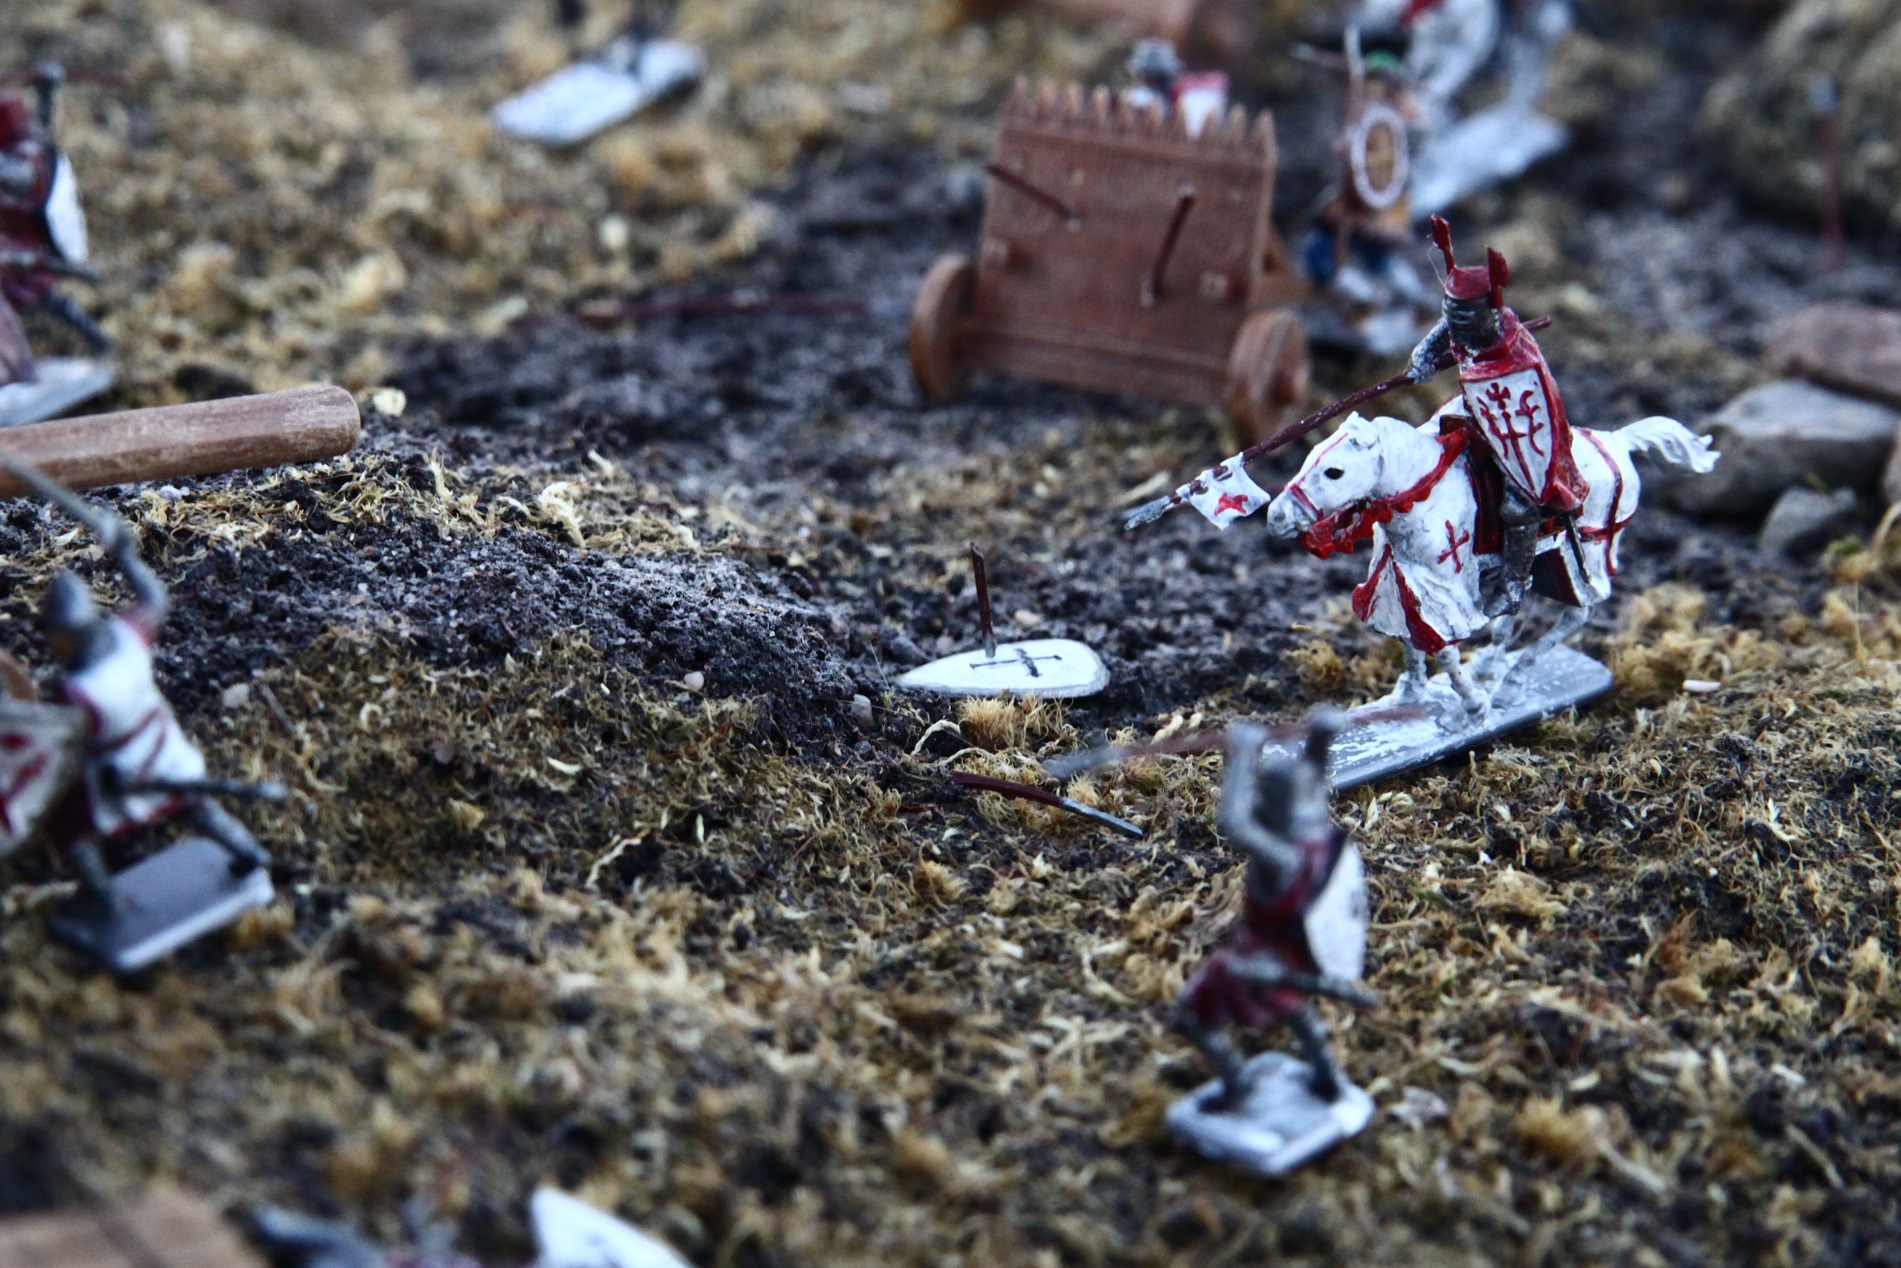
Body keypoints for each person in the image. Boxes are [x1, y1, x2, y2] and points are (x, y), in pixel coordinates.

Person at [16, 464, 270, 903]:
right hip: (162, 745)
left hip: (117, 766)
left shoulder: (79, 691)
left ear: (66, 635)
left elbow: (66, 741)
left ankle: (104, 900)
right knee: (196, 805)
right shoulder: (126, 638)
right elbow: (155, 599)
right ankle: (247, 851)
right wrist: (127, 557)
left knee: (69, 827)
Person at [1174, 714, 1367, 1110]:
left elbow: (1234, 824)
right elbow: (1312, 781)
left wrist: (1242, 754)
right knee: (1295, 1009)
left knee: (1194, 1015)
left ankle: (1238, 1081)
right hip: (1295, 954)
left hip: (1263, 957)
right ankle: (1327, 1073)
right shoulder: (1317, 839)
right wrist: (1321, 737)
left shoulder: (1285, 858)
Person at [1406, 214, 1587, 615]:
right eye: (1452, 312)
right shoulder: (1464, 323)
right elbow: (1447, 328)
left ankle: (1514, 584)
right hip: (1474, 407)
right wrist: (1424, 355)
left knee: (1519, 506)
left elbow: (1528, 408)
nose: (1457, 324)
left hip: (1513, 426)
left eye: (1466, 316)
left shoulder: (1517, 358)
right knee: (1422, 448)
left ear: (1490, 312)